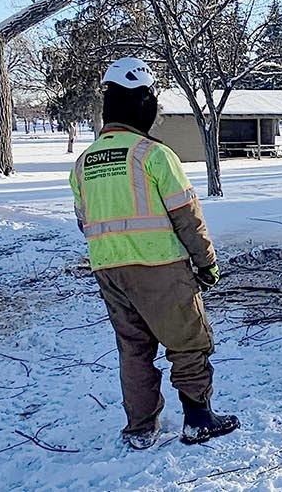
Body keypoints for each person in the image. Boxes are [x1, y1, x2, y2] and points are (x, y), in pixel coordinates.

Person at [69, 57, 239, 449]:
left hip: (109, 271)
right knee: (189, 340)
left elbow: (85, 221)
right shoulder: (153, 155)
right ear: (143, 103)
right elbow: (187, 217)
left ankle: (141, 427)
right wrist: (206, 264)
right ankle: (198, 419)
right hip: (160, 267)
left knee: (134, 349)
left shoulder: (83, 163)